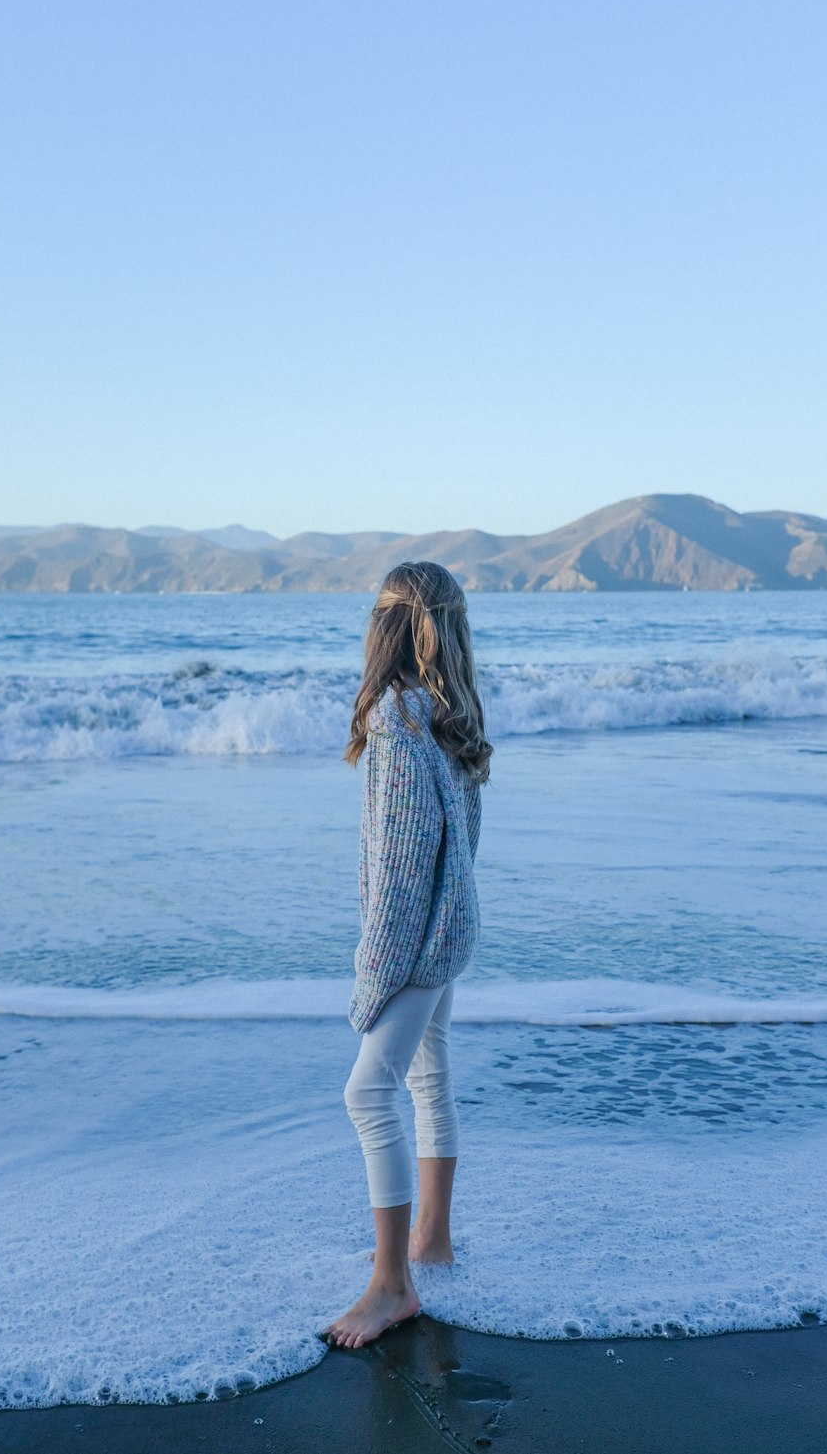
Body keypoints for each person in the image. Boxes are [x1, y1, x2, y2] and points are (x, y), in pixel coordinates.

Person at [322, 560, 492, 1350]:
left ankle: (393, 1284)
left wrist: (373, 982)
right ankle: (431, 1238)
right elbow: (458, 847)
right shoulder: (449, 716)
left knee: (368, 1090)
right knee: (429, 1074)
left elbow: (395, 878)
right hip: (452, 930)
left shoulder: (397, 722)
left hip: (418, 943)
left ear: (383, 629)